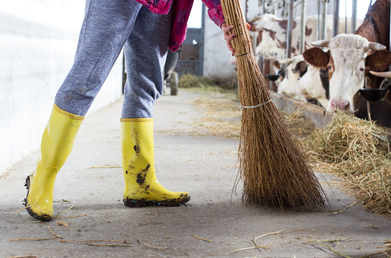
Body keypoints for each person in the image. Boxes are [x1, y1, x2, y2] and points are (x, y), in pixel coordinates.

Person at [24, 0, 239, 222]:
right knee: (88, 75)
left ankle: (140, 182)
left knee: (147, 83)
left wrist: (225, 19)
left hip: (161, 4)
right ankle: (42, 178)